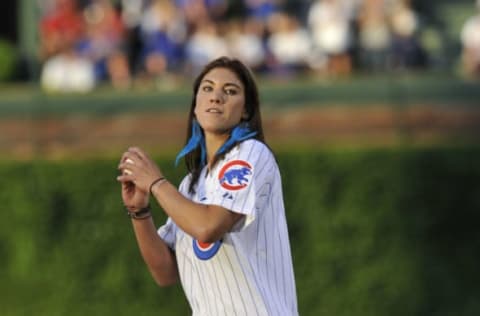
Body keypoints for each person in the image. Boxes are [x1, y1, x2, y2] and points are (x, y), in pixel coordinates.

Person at [116, 56, 298, 315]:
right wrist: (139, 212)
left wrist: (156, 183)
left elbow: (208, 227)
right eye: (207, 88)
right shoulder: (190, 184)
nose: (216, 97)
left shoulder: (250, 153)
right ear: (195, 106)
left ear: (246, 110)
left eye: (230, 91)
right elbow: (165, 273)